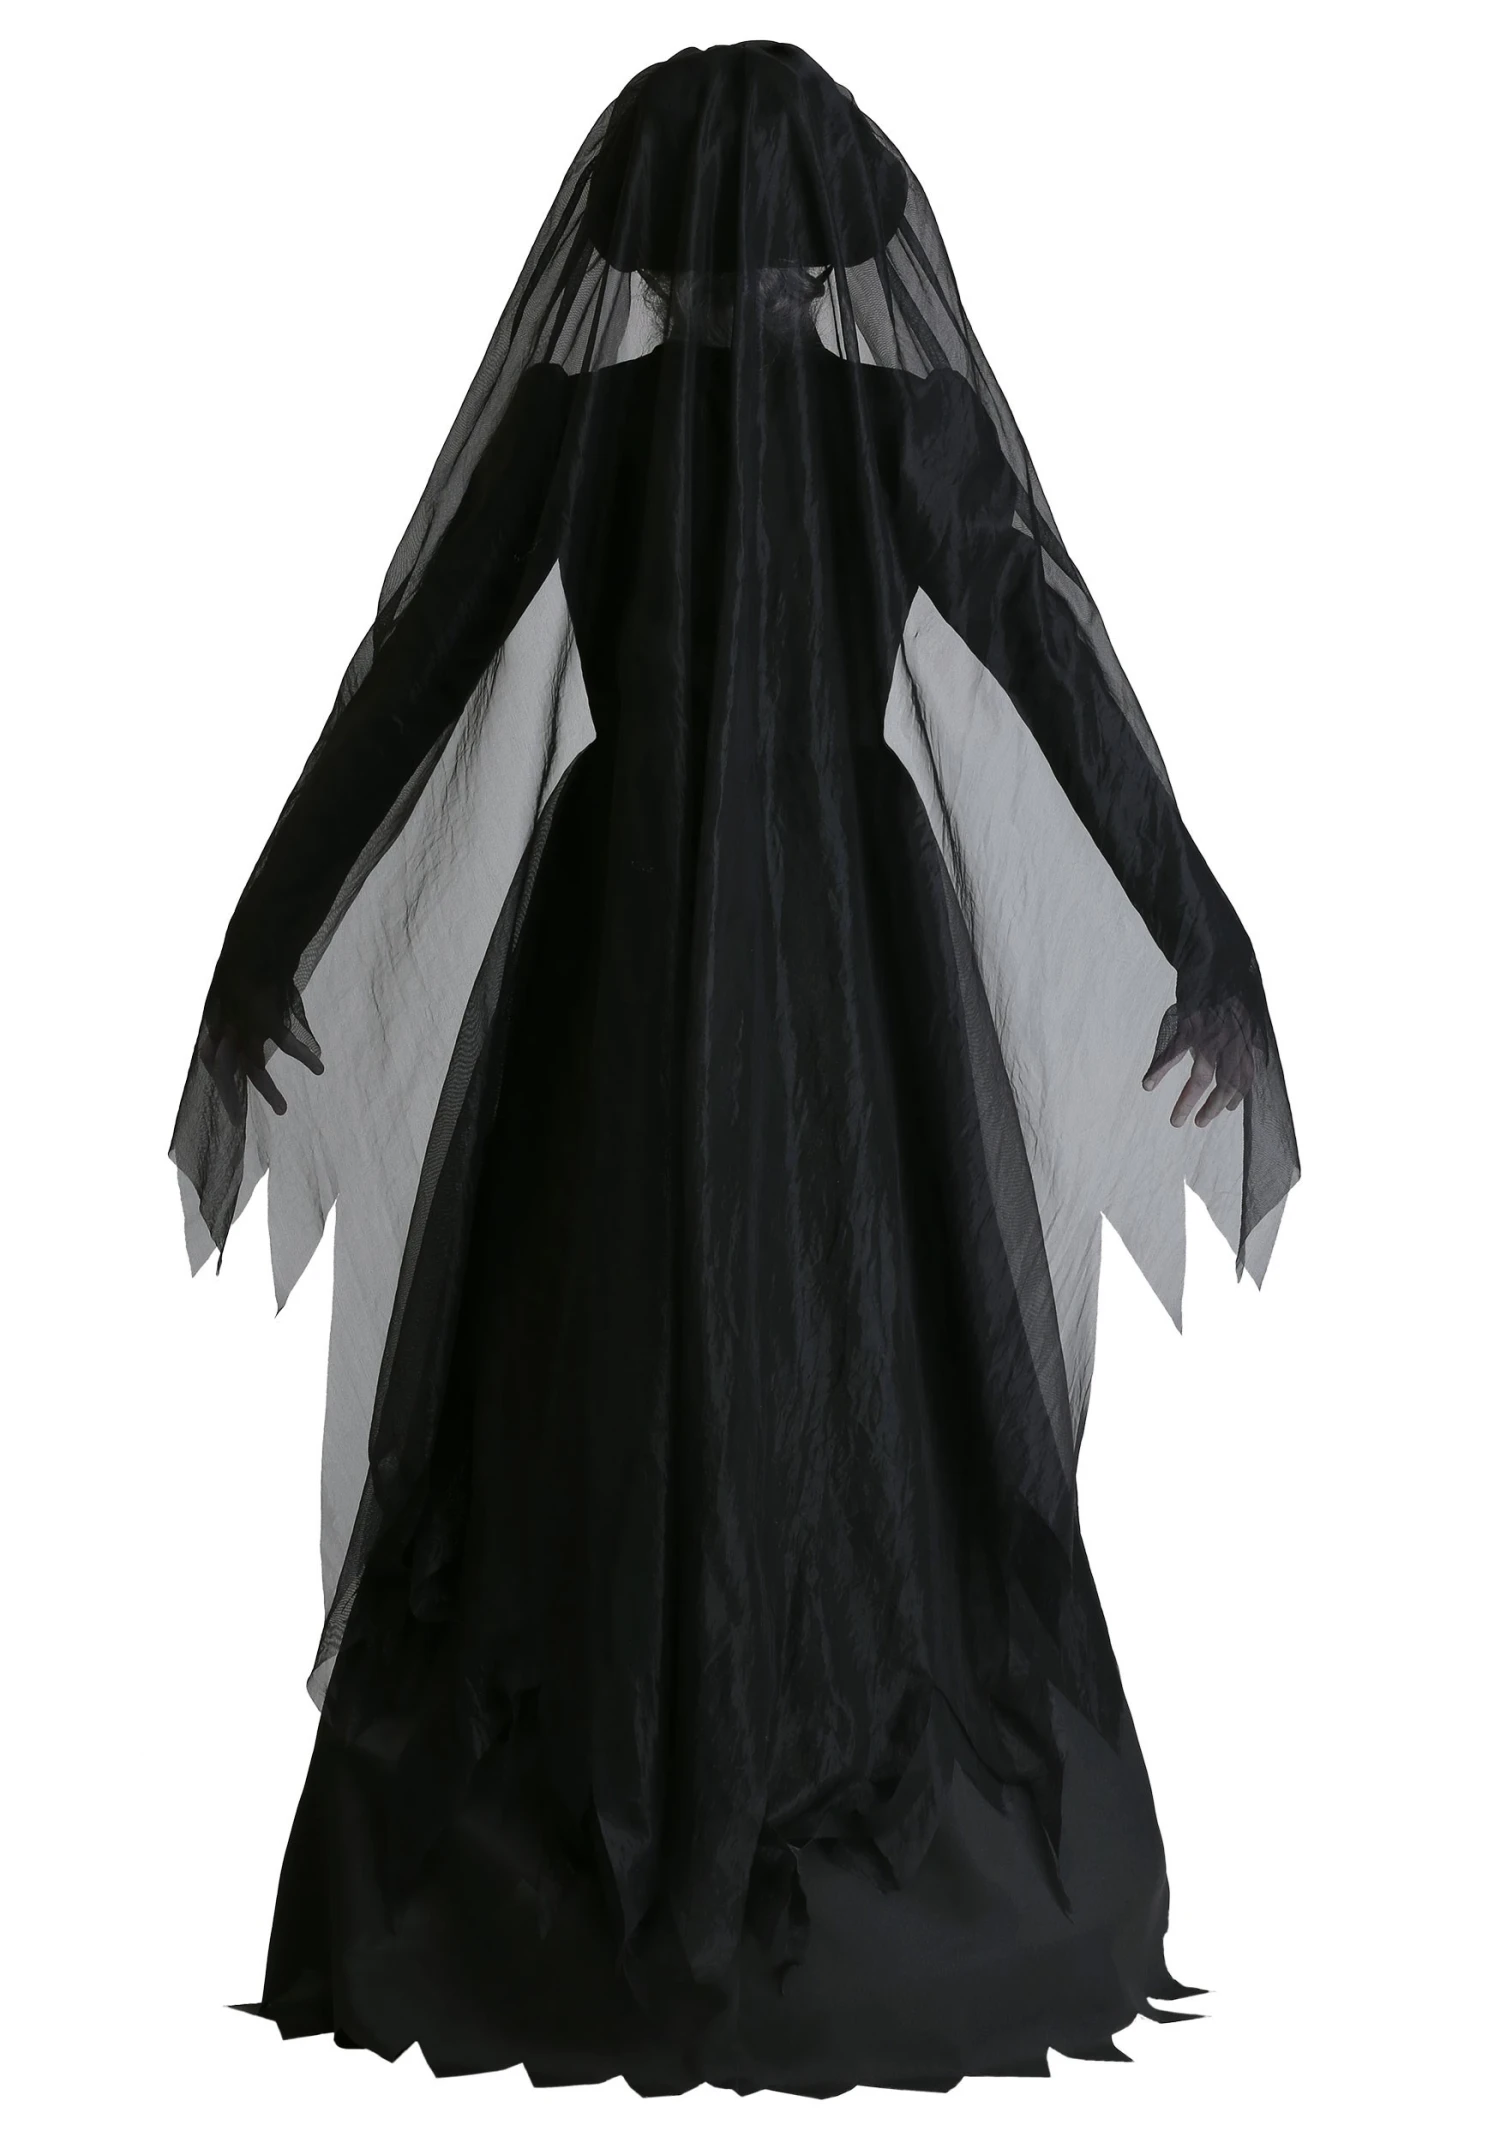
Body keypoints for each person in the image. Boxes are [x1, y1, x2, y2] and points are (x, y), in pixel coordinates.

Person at [170, 39, 1300, 2091]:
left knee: (607, 1352)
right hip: (838, 947)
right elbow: (1056, 671)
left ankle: (594, 1819)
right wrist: (1198, 926)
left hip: (624, 941)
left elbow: (406, 685)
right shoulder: (894, 430)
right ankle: (803, 1787)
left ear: (649, 240)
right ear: (826, 239)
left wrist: (268, 933)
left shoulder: (585, 427)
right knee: (825, 1351)